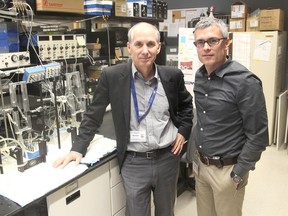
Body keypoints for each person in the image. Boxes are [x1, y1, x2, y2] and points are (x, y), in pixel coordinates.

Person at [53, 22, 193, 216]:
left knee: (166, 212)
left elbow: (187, 106)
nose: (145, 50)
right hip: (134, 161)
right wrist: (78, 148)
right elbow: (94, 113)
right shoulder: (112, 76)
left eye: (151, 44)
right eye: (139, 44)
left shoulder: (172, 76)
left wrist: (183, 132)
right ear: (129, 47)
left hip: (167, 159)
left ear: (159, 47)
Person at [192, 17, 269, 216]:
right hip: (202, 166)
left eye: (212, 41)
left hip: (228, 170)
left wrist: (239, 173)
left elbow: (258, 136)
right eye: (200, 42)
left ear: (227, 43)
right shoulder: (200, 76)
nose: (206, 47)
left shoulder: (245, 82)